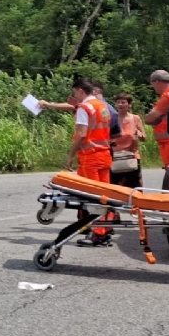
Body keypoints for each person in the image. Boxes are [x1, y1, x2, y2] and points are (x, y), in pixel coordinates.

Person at [64, 77, 115, 247]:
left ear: (80, 90)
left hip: (90, 156)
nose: (75, 96)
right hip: (104, 154)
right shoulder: (103, 106)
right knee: (105, 196)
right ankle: (105, 230)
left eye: (75, 92)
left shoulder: (84, 107)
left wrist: (71, 155)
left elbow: (81, 134)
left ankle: (98, 234)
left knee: (93, 197)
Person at [143, 70, 169, 169]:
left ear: (157, 81)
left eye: (152, 83)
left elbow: (149, 119)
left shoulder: (167, 98)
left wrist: (149, 116)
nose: (153, 87)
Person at [110, 93, 146, 188]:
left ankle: (137, 201)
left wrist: (139, 134)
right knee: (115, 184)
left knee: (135, 183)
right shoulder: (112, 118)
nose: (120, 105)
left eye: (123, 102)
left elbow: (144, 138)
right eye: (118, 102)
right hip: (115, 156)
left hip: (132, 155)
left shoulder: (135, 118)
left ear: (129, 105)